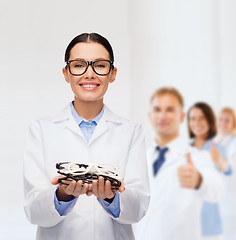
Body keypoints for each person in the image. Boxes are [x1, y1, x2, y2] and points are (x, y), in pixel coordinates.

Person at [23, 33, 150, 240]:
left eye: (100, 65)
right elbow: (33, 210)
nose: (89, 74)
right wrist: (62, 195)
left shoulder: (131, 132)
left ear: (112, 73)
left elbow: (138, 209)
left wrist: (112, 197)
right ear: (66, 73)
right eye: (79, 65)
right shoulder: (40, 130)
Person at [133, 87, 225, 240]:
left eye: (169, 110)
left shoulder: (196, 157)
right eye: (157, 110)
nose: (162, 116)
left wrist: (199, 181)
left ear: (182, 117)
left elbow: (218, 189)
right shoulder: (141, 158)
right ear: (150, 116)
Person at [187, 102, 232, 240]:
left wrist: (219, 161)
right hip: (188, 220)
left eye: (202, 118)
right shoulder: (185, 148)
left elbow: (227, 169)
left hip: (210, 223)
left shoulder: (216, 147)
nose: (197, 123)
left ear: (210, 120)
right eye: (193, 119)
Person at [215, 107, 236, 240]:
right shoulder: (215, 142)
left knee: (233, 233)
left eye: (227, 120)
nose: (223, 123)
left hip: (232, 198)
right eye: (221, 120)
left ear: (233, 123)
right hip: (219, 197)